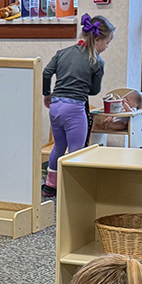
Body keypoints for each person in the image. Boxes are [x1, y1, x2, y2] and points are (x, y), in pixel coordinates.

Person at [42, 14, 115, 198]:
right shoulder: (97, 61)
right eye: (107, 43)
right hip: (74, 109)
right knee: (76, 148)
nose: (106, 47)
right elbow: (94, 90)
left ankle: (50, 186)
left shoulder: (62, 53)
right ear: (97, 40)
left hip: (56, 107)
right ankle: (72, 188)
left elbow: (46, 72)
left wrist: (47, 94)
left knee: (58, 146)